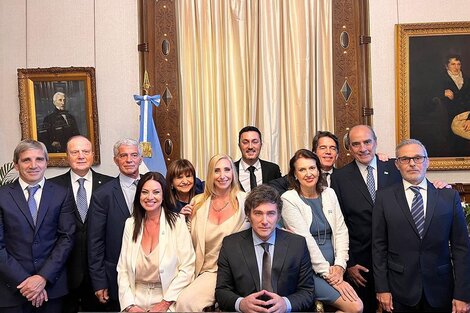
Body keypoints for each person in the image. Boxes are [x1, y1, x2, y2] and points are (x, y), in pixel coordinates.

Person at [373, 139, 470, 313]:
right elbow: (379, 246)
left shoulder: (449, 197)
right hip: (399, 290)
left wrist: (462, 294)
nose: (412, 163)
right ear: (397, 165)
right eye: (405, 159)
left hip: (440, 289)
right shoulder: (384, 198)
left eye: (418, 158)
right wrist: (382, 288)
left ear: (427, 161)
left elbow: (461, 248)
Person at [330, 125, 402, 313]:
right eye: (356, 144)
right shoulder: (340, 178)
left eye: (367, 142)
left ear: (375, 142)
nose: (363, 148)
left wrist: (439, 185)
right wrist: (349, 263)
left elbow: (416, 188)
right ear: (349, 148)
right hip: (361, 265)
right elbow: (339, 224)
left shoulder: (395, 168)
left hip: (396, 260)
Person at [281, 149, 363, 313]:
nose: (308, 173)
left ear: (319, 170)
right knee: (355, 307)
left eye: (312, 168)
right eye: (302, 169)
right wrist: (332, 276)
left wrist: (340, 265)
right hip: (308, 270)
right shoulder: (289, 199)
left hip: (335, 269)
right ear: (295, 174)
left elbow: (340, 231)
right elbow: (306, 241)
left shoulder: (329, 193)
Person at [0, 140, 75, 312]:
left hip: (51, 289)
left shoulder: (61, 194)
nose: (33, 165)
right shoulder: (2, 196)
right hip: (11, 290)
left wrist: (42, 277)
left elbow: (67, 238)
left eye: (39, 159)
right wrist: (27, 282)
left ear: (46, 163)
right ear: (16, 165)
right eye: (26, 160)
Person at [215, 184, 316, 312]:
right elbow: (222, 292)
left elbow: (308, 292)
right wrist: (241, 304)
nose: (265, 221)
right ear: (248, 215)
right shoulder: (231, 245)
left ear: (279, 216)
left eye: (271, 213)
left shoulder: (297, 244)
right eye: (258, 213)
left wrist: (286, 304)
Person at [176, 154, 250, 311]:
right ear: (210, 174)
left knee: (185, 302)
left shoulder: (246, 201)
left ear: (233, 173)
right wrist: (181, 221)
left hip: (227, 272)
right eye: (217, 171)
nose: (222, 176)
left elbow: (264, 223)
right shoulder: (198, 202)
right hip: (197, 270)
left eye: (227, 170)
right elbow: (185, 240)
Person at [49, 135, 113, 313]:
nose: (81, 156)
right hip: (63, 275)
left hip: (100, 274)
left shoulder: (110, 185)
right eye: (75, 152)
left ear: (93, 154)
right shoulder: (52, 186)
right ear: (66, 156)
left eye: (85, 151)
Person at [117, 172, 195, 312]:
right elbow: (122, 270)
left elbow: (188, 268)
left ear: (164, 195)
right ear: (139, 195)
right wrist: (129, 306)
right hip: (135, 300)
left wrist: (164, 304)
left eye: (156, 192)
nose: (150, 197)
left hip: (168, 300)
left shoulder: (178, 223)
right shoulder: (130, 224)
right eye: (145, 192)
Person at [87, 139, 143, 311]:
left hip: (152, 274)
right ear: (115, 160)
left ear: (141, 159)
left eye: (134, 155)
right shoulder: (102, 195)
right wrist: (99, 281)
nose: (129, 160)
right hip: (116, 276)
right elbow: (95, 241)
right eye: (123, 155)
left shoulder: (154, 188)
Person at [270, 131, 340, 193]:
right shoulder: (299, 175)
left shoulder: (343, 177)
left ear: (337, 155)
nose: (328, 152)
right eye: (323, 148)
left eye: (332, 148)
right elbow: (272, 187)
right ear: (314, 153)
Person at [234, 126, 282, 192]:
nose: (250, 146)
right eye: (245, 142)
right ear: (239, 145)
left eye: (255, 142)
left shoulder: (273, 170)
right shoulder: (231, 170)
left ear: (261, 144)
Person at [439, 55, 470, 156]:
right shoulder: (441, 79)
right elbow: (425, 93)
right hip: (448, 117)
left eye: (458, 64)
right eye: (453, 64)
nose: (456, 67)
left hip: (466, 115)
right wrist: (442, 93)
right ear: (446, 66)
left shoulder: (467, 79)